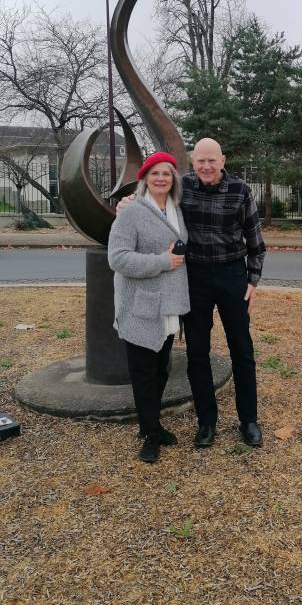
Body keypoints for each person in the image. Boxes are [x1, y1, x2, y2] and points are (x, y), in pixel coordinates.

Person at [182, 138, 266, 449]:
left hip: (232, 274)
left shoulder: (241, 190)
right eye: (200, 161)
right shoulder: (183, 187)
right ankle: (206, 422)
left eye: (211, 161)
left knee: (242, 351)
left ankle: (249, 419)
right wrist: (126, 204)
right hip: (195, 277)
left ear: (223, 160)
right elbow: (152, 200)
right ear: (193, 161)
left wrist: (252, 281)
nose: (206, 166)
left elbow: (256, 242)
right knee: (196, 352)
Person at [108, 152, 190, 464]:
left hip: (168, 304)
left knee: (161, 368)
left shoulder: (176, 210)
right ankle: (150, 435)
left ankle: (151, 424)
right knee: (143, 372)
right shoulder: (131, 212)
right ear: (144, 178)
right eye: (154, 173)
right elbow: (117, 258)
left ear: (173, 180)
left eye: (166, 174)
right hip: (140, 306)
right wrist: (162, 262)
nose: (160, 178)